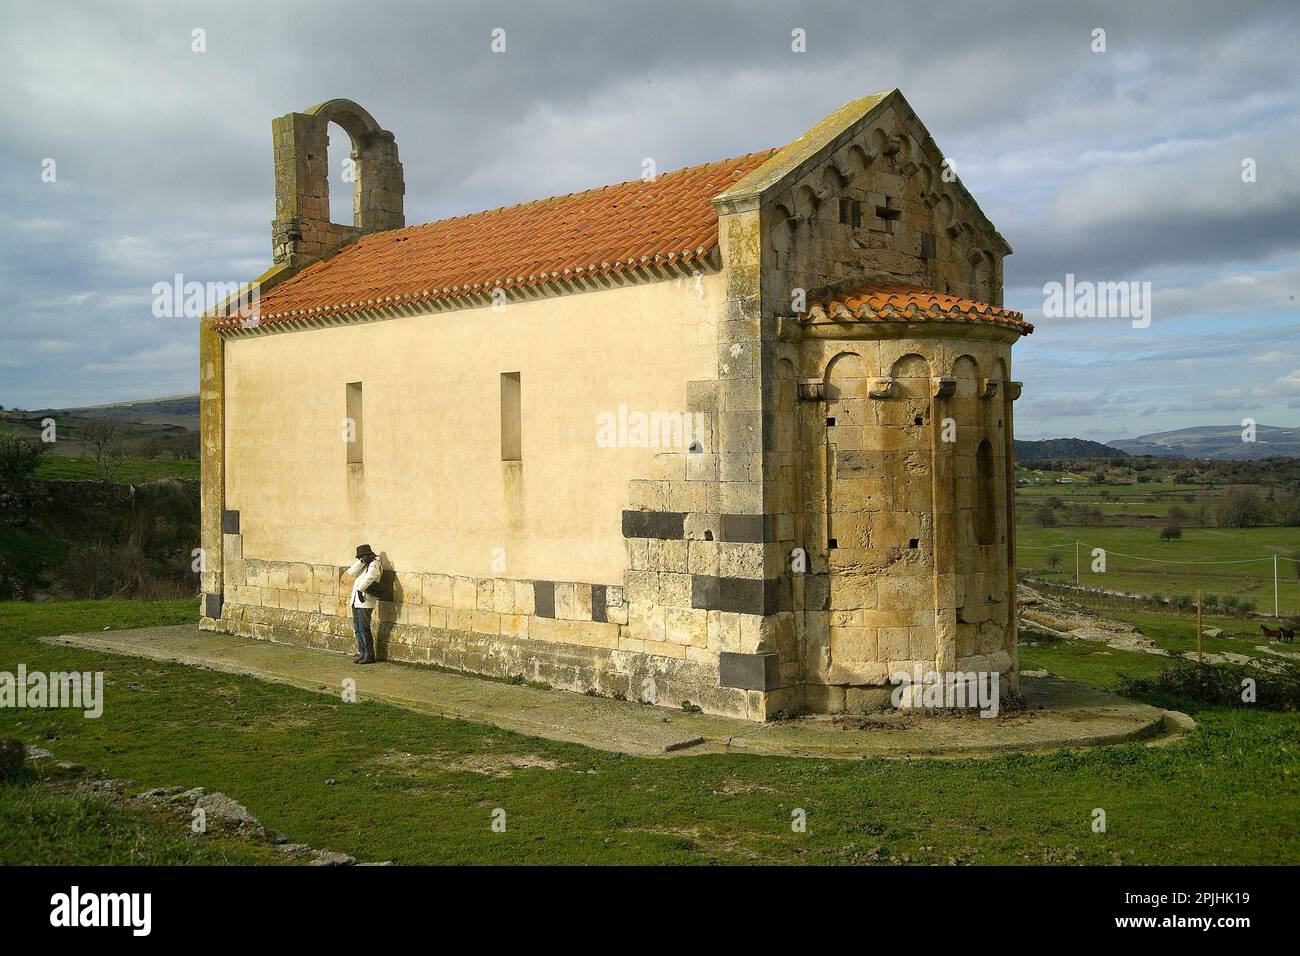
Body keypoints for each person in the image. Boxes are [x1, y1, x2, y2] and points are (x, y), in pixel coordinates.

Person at [346, 544, 382, 664]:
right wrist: (362, 562)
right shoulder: (363, 564)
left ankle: (369, 655)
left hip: (365, 600)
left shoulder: (375, 563)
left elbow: (371, 577)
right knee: (357, 629)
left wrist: (360, 589)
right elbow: (351, 572)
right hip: (356, 600)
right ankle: (362, 652)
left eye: (363, 556)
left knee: (364, 628)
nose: (361, 558)